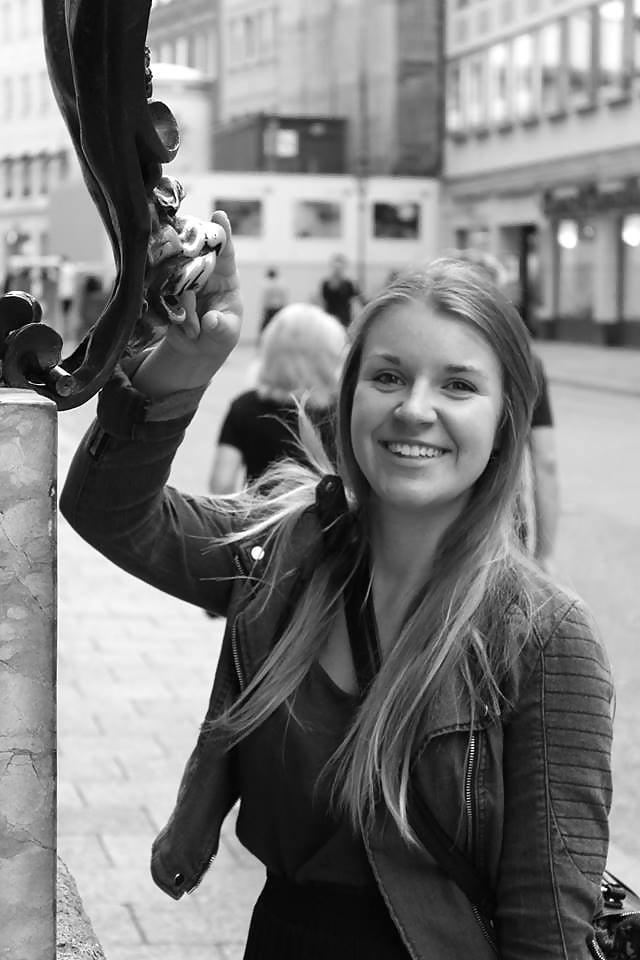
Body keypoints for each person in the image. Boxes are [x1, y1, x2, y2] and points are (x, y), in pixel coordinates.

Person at [60, 216, 613, 959]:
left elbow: (548, 933)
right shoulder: (284, 552)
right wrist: (188, 359)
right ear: (349, 396)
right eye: (388, 376)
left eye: (458, 385)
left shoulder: (544, 637)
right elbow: (108, 510)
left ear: (505, 418)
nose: (414, 408)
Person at [449, 248, 559, 571]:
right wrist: (545, 554)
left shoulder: (421, 356)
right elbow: (546, 461)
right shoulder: (526, 363)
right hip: (502, 526)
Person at [209, 302, 347, 494]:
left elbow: (221, 483)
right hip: (329, 511)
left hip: (262, 510)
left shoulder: (245, 407)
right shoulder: (341, 412)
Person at [319, 253, 363, 328]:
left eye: (340, 267)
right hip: (330, 320)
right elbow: (322, 301)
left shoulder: (348, 284)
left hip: (345, 320)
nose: (337, 270)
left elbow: (358, 298)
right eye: (335, 267)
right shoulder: (326, 284)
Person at [259, 267, 288, 334]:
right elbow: (284, 296)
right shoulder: (282, 284)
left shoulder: (267, 284)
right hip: (279, 308)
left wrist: (263, 310)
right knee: (279, 326)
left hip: (270, 309)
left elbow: (265, 298)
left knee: (266, 327)